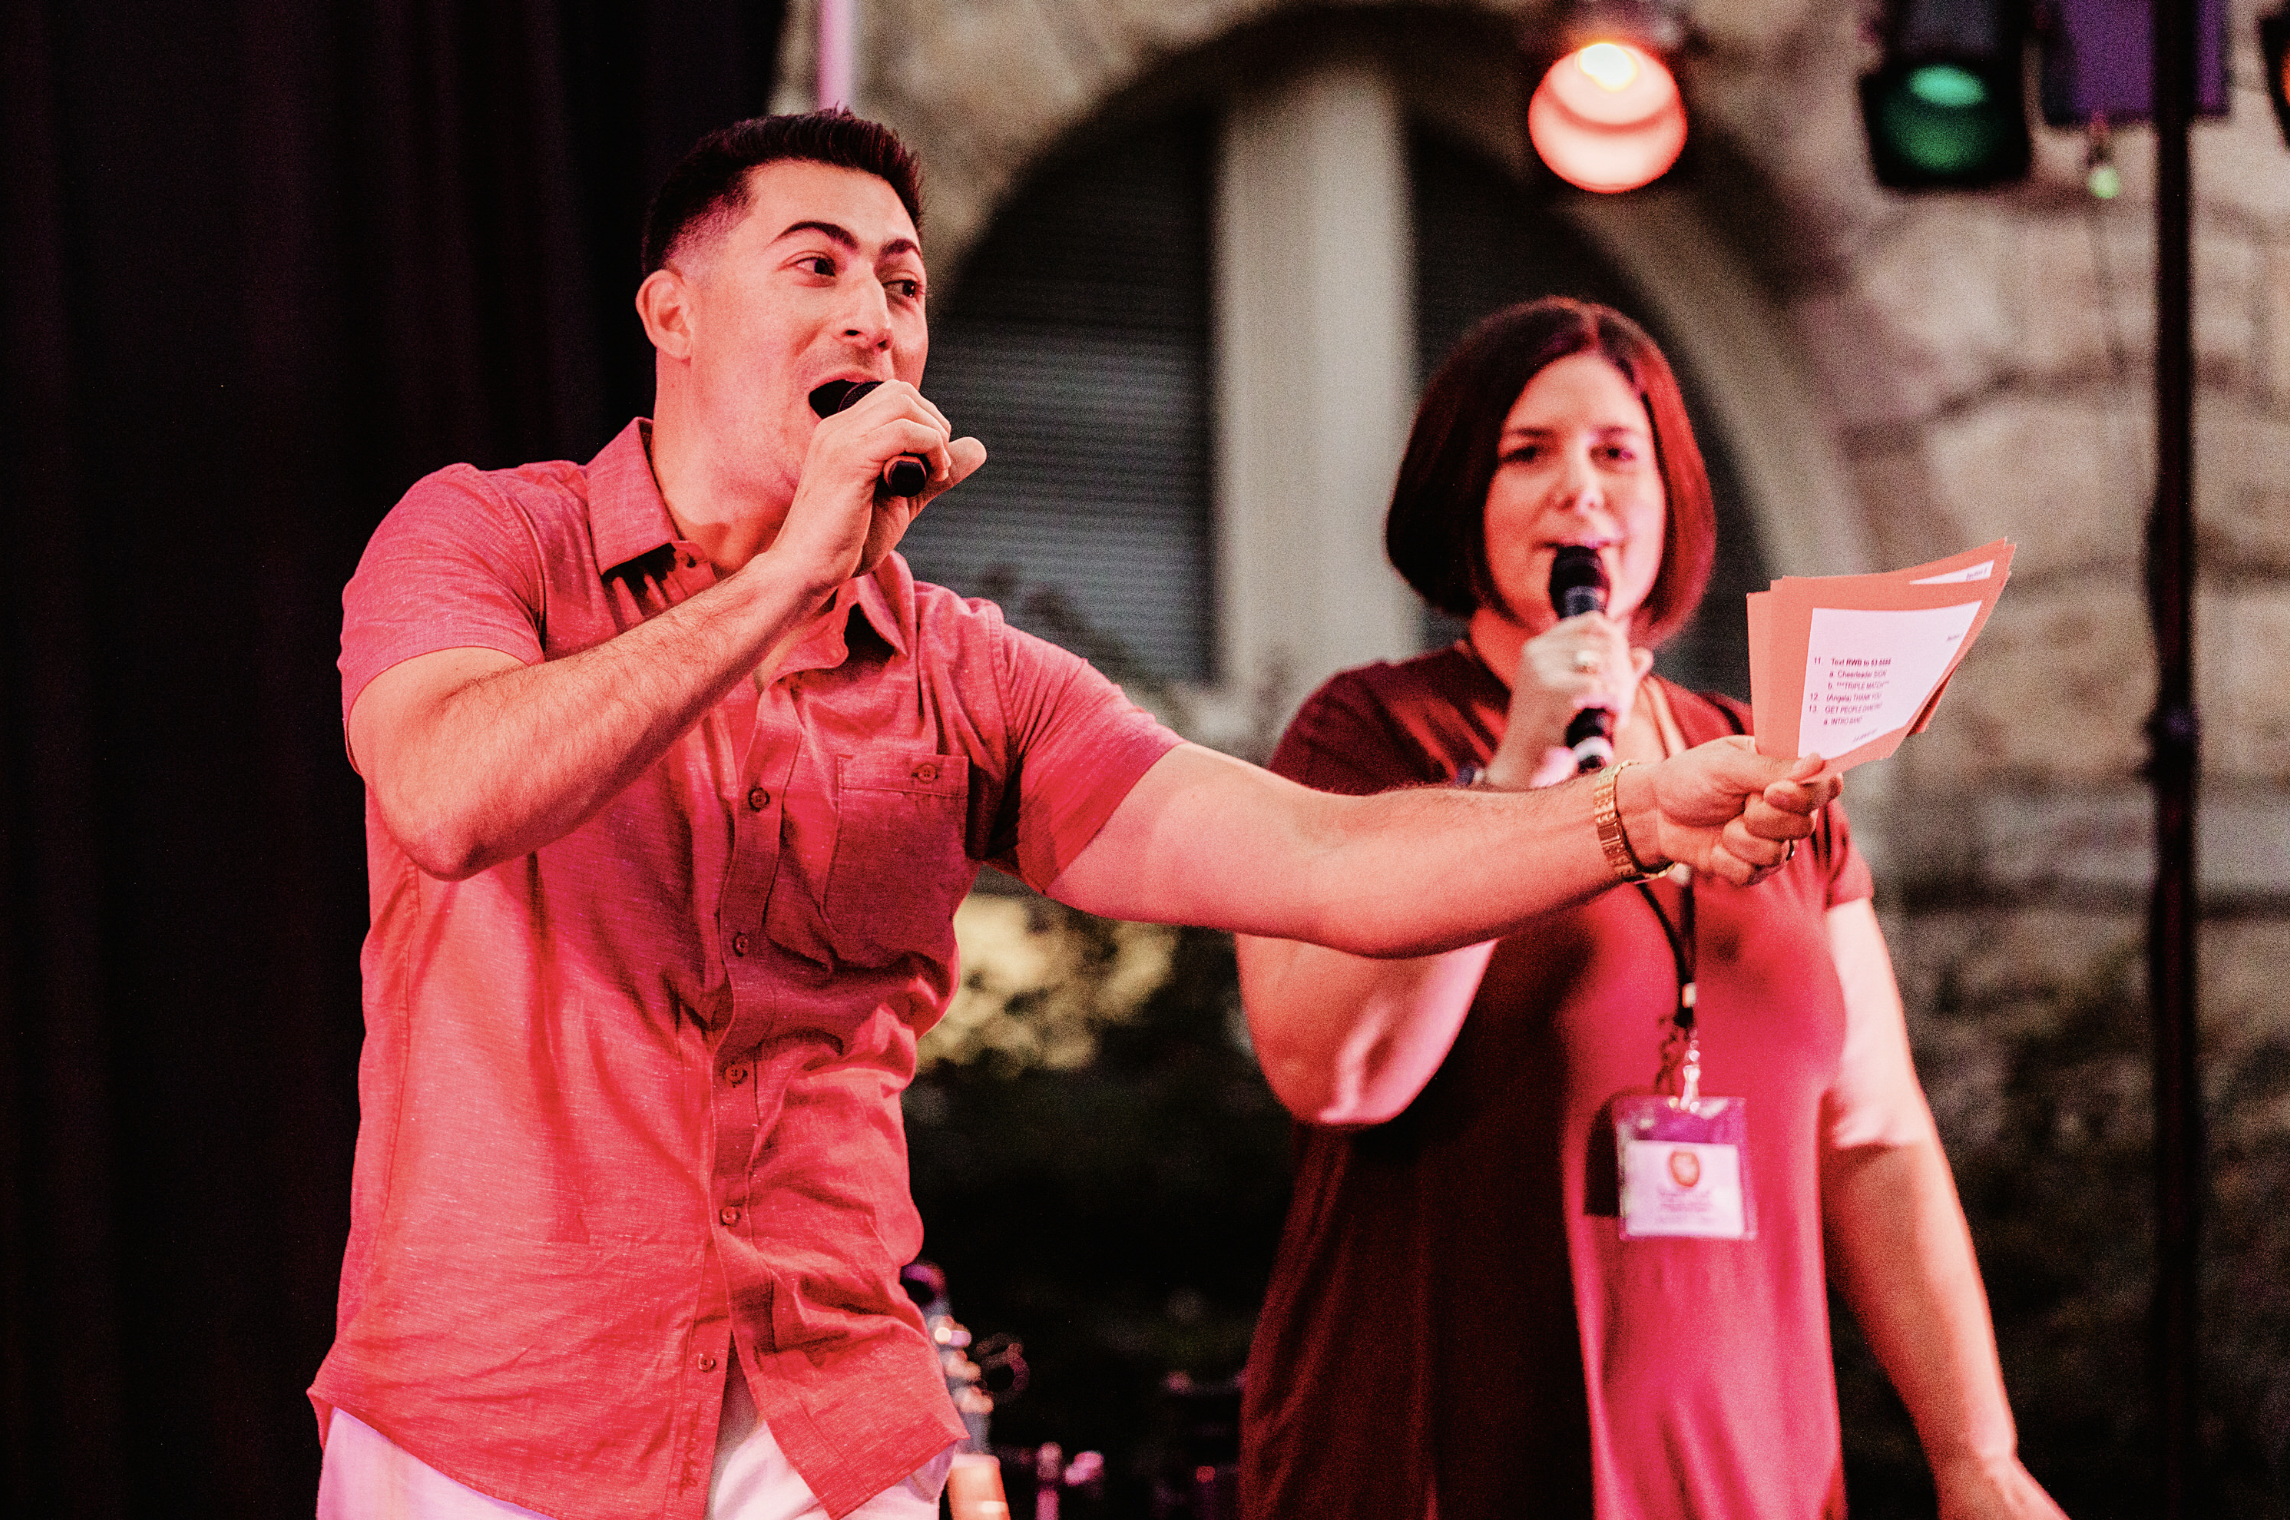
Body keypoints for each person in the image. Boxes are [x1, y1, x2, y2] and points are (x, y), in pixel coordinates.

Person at [313, 118, 1837, 1520]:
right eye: (820, 266)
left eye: (903, 285)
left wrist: (1633, 814)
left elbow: (1315, 858)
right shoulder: (488, 537)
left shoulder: (969, 677)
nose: (875, 314)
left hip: (820, 1425)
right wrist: (782, 577)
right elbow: (449, 794)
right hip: (486, 1418)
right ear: (673, 313)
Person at [1234, 298, 2067, 1520]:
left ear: (1670, 495)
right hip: (1440, 1457)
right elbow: (1333, 1071)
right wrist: (1513, 774)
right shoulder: (1372, 733)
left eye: (1617, 453)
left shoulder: (1762, 761)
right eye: (1529, 452)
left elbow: (1874, 1136)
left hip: (1746, 1467)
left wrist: (1974, 1453)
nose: (1581, 489)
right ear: (1460, 493)